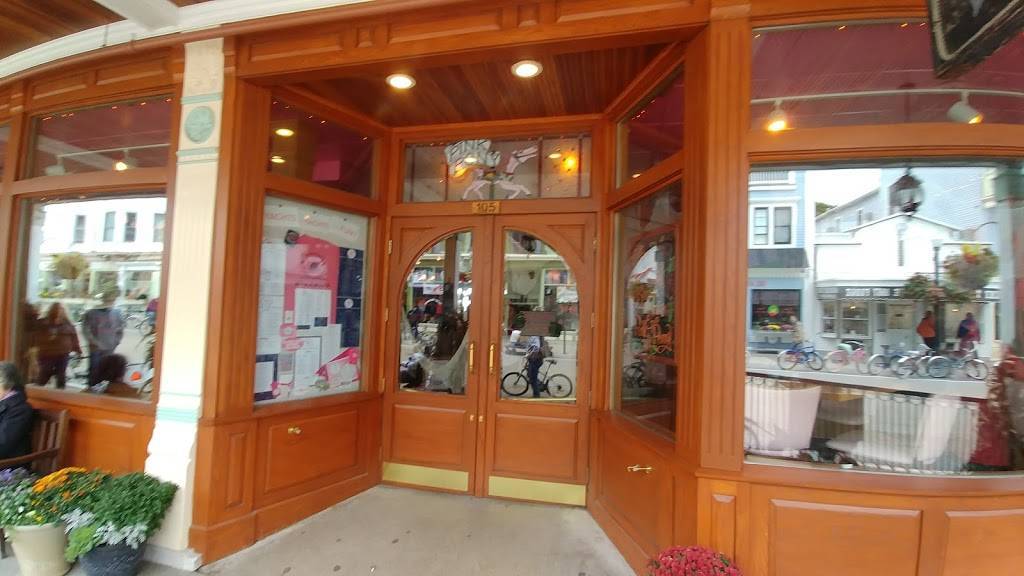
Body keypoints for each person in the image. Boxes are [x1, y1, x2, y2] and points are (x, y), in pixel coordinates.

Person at [82, 291, 125, 389]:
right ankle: (91, 389)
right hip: (95, 347)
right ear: (103, 300)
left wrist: (116, 341)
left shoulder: (117, 313)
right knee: (94, 368)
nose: (110, 302)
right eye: (108, 300)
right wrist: (93, 342)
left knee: (107, 368)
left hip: (110, 346)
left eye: (112, 300)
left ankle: (103, 389)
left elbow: (120, 329)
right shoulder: (91, 313)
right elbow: (86, 329)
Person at [35, 303, 81, 389]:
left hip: (63, 353)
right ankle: (37, 390)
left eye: (61, 309)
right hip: (47, 353)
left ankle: (60, 391)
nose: (59, 311)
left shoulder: (68, 324)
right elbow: (37, 337)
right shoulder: (44, 322)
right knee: (45, 373)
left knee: (61, 374)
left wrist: (78, 350)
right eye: (57, 309)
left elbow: (74, 338)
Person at [0, 362, 34, 461]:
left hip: (9, 465)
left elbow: (3, 445)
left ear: (9, 384)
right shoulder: (3, 402)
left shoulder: (20, 409)